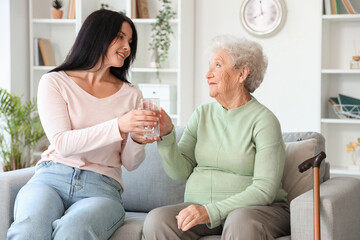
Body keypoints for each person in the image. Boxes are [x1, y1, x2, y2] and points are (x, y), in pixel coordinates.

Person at [8, 9, 160, 240]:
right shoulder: (55, 82)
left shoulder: (131, 94)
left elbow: (130, 163)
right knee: (29, 229)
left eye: (130, 41)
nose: (127, 47)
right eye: (120, 37)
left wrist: (137, 139)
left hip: (102, 188)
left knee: (74, 231)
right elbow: (63, 143)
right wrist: (119, 125)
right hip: (51, 178)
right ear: (96, 35)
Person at [143, 35, 290, 240]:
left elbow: (264, 190)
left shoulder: (264, 121)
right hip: (202, 208)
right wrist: (167, 135)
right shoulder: (201, 114)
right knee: (157, 220)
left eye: (218, 65)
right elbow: (179, 171)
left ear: (242, 74)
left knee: (240, 221)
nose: (208, 74)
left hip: (254, 210)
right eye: (209, 66)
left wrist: (210, 212)